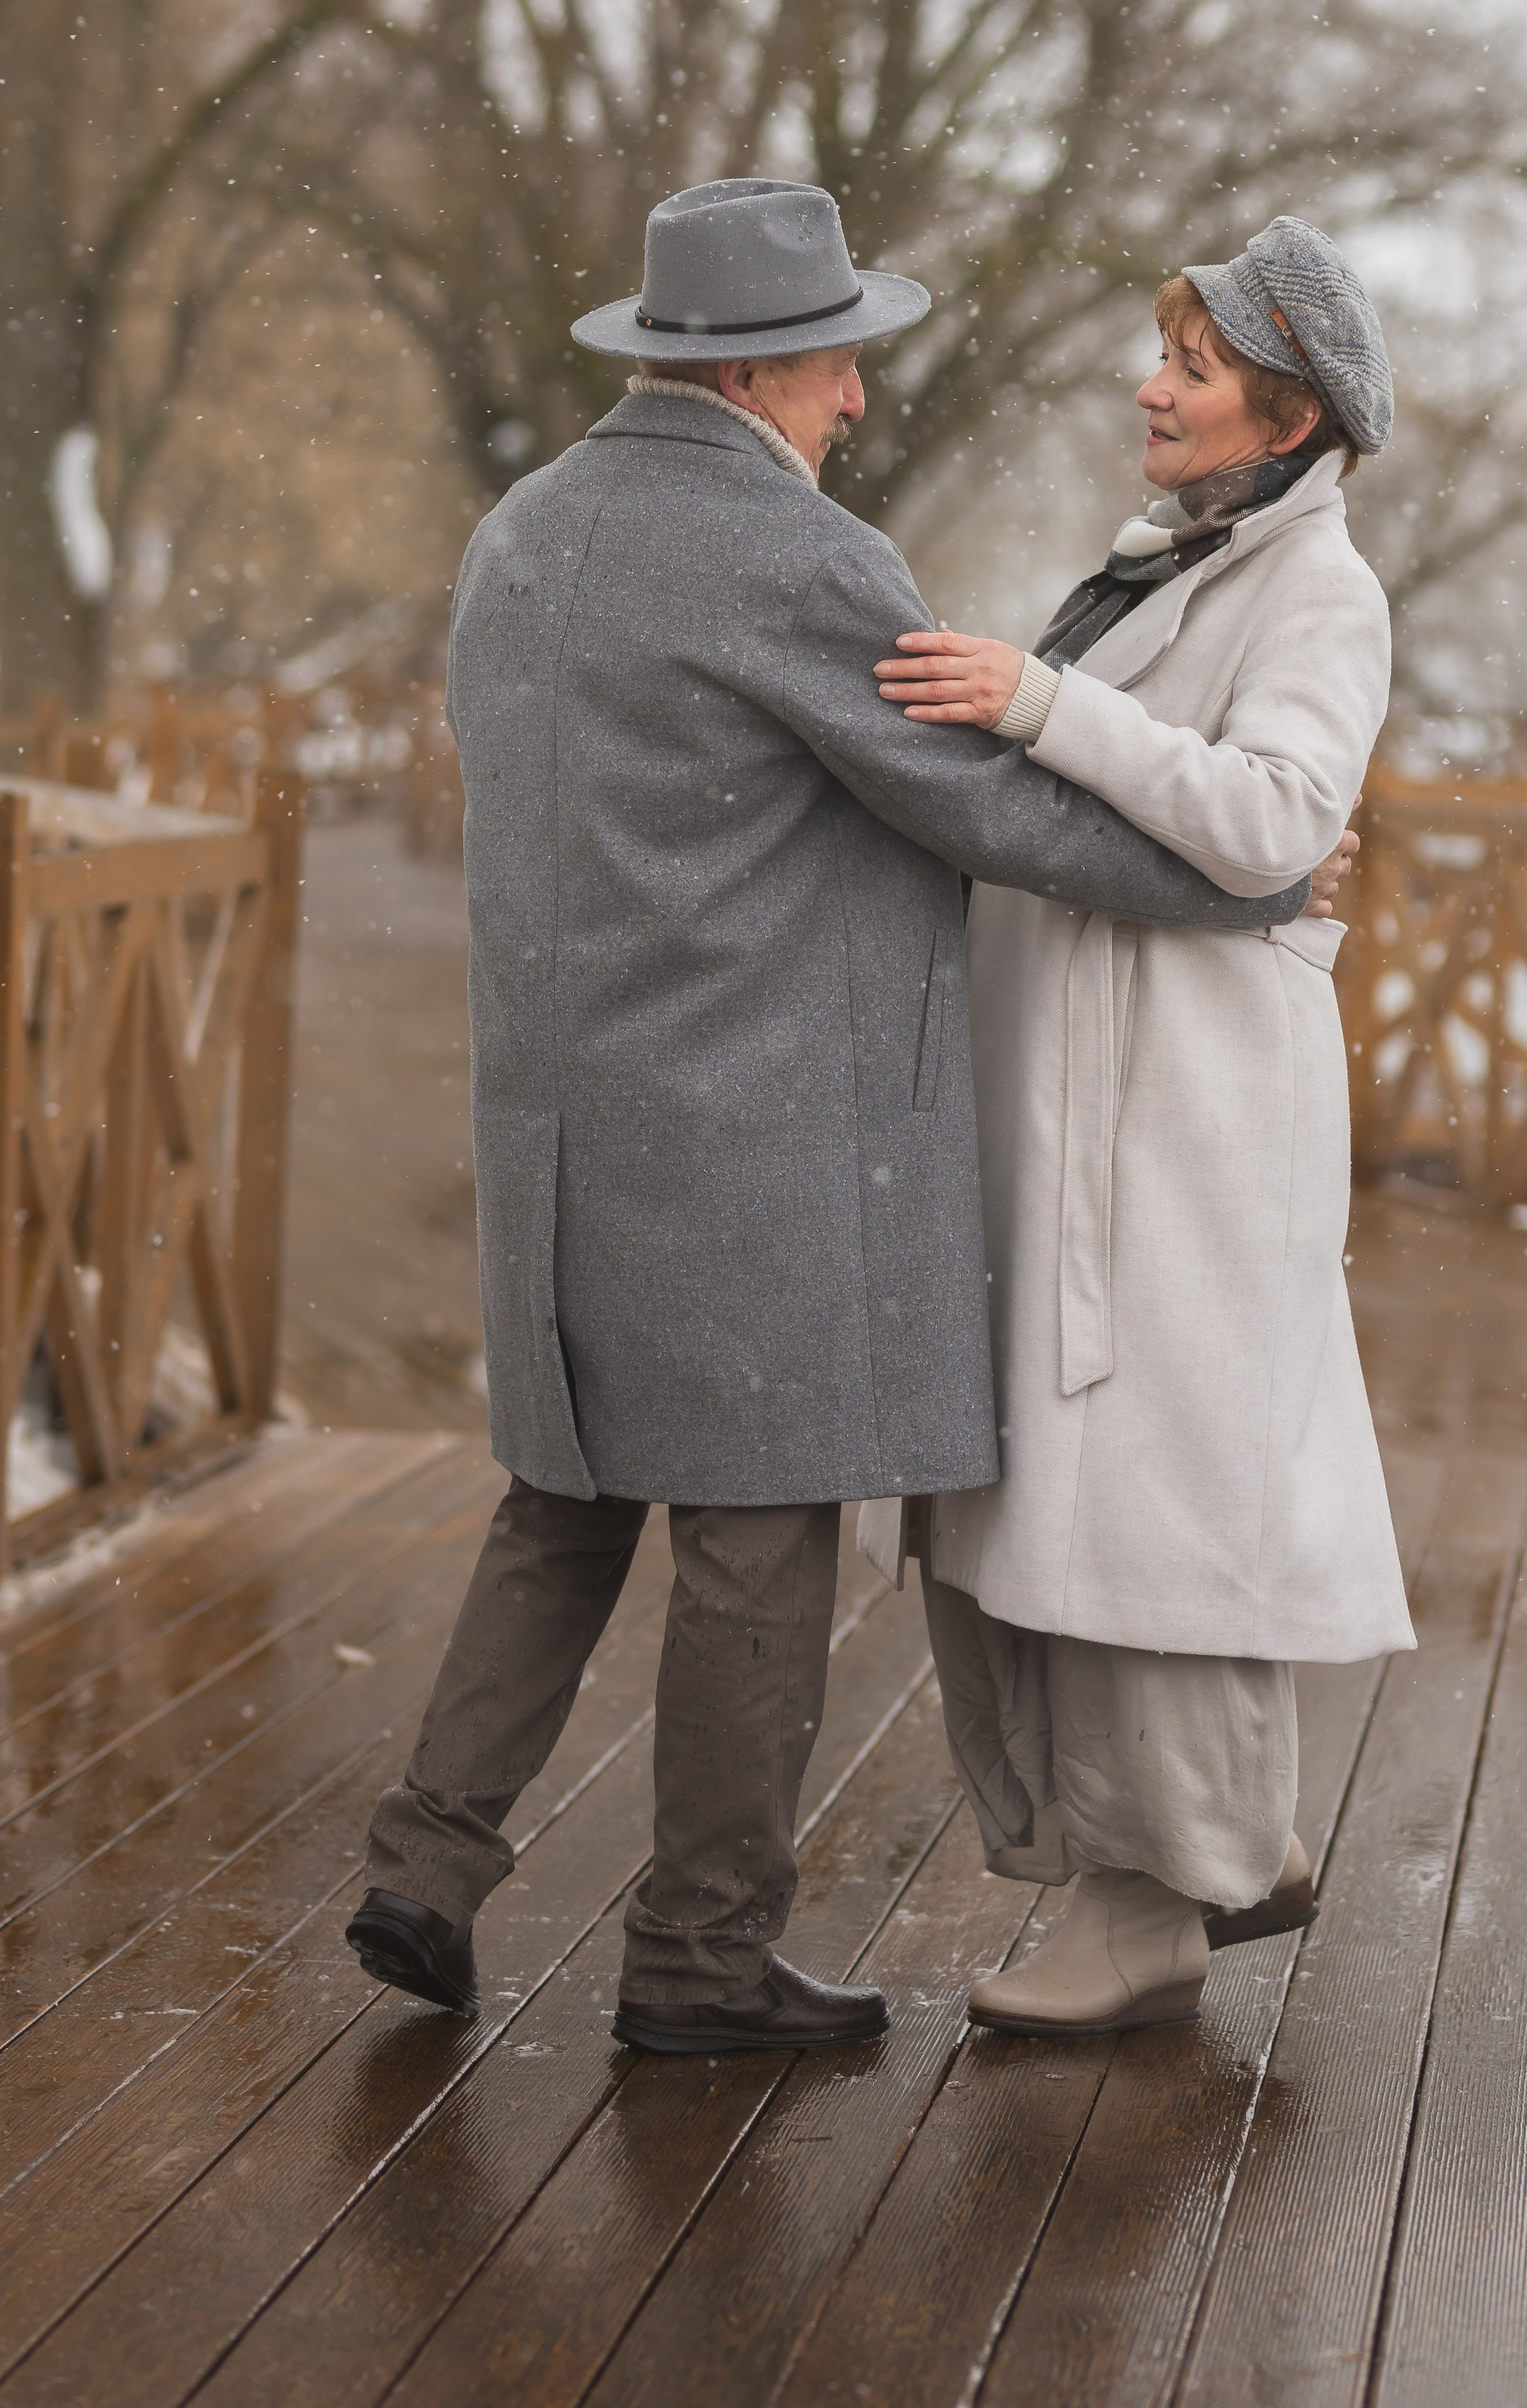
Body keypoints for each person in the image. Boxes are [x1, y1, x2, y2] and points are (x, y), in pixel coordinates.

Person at [345, 179, 1350, 2058]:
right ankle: (699, 1968)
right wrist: (1249, 888)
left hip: (556, 1132)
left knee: (559, 1508)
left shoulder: (521, 537)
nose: (860, 405)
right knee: (753, 1554)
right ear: (759, 368)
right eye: (837, 363)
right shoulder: (792, 561)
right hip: (748, 1146)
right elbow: (976, 807)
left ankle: (427, 1863)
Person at [871, 216, 1415, 2039]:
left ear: (1279, 412)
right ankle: (1200, 1856)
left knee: (1143, 1507)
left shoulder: (1316, 590)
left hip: (1175, 1120)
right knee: (1071, 1491)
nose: (1145, 388)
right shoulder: (1164, 567)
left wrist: (1038, 701)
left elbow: (1266, 822)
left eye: (1183, 367)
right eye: (1157, 356)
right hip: (1084, 1101)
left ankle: (1157, 1897)